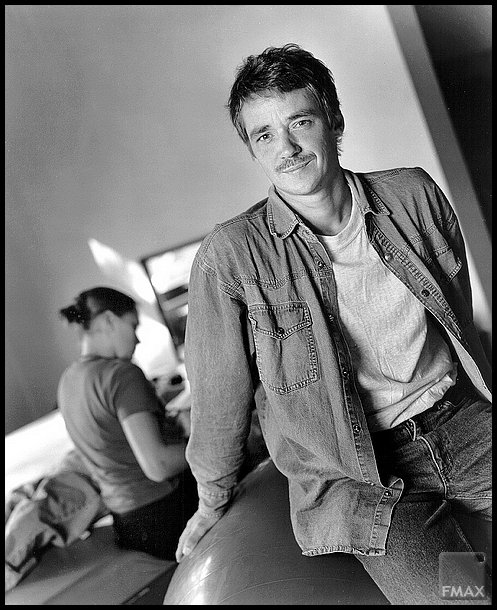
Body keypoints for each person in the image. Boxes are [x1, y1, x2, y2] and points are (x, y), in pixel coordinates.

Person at [174, 44, 492, 604]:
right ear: (252, 148)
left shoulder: (413, 195)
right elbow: (219, 399)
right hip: (364, 478)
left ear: (334, 121)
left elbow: (456, 316)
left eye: (300, 122)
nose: (287, 148)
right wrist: (210, 501)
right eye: (264, 135)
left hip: (461, 426)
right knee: (462, 597)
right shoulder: (231, 258)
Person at [57, 286, 198, 561]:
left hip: (127, 524)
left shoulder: (68, 380)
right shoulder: (122, 375)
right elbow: (158, 465)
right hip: (167, 514)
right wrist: (212, 444)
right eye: (133, 326)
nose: (137, 339)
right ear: (109, 320)